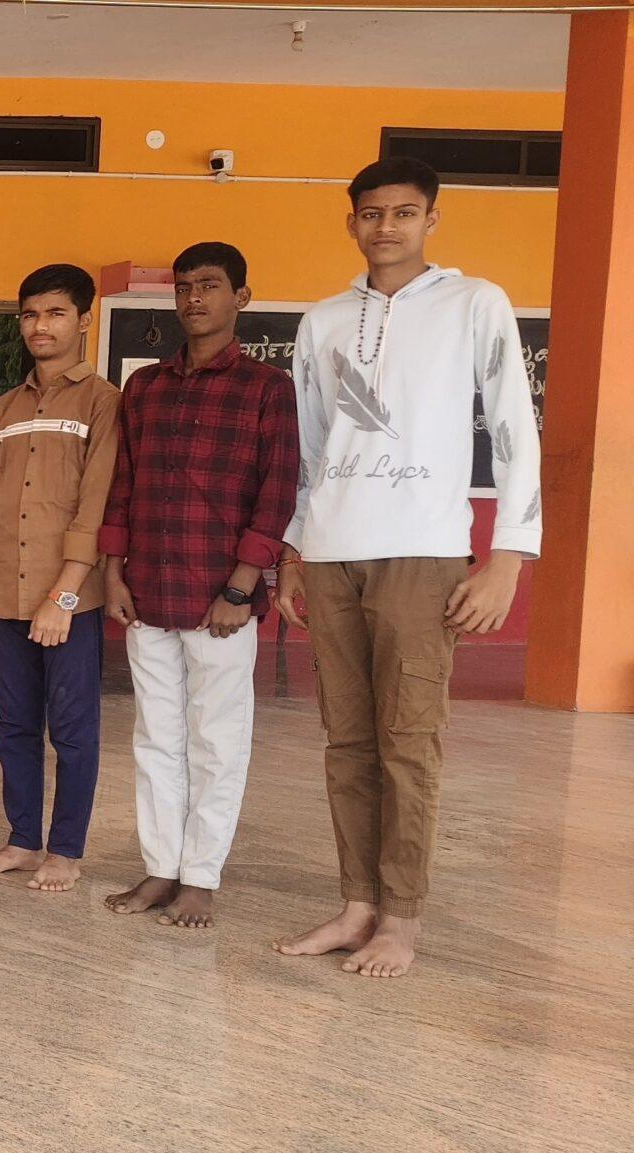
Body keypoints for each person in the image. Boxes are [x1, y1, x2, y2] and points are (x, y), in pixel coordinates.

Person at [273, 158, 540, 979]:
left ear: (431, 220)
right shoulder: (322, 322)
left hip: (424, 553)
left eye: (403, 212)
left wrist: (508, 555)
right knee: (347, 741)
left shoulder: (475, 304)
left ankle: (401, 918)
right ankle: (357, 903)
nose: (385, 226)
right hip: (331, 554)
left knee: (408, 741)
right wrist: (293, 548)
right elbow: (310, 447)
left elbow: (514, 427)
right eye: (371, 213)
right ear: (352, 221)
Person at [98, 242, 299, 930]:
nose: (193, 299)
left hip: (221, 600)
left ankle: (201, 877)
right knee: (155, 737)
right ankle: (161, 866)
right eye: (184, 287)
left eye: (209, 286)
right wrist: (113, 570)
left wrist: (240, 589)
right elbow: (123, 485)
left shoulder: (267, 388)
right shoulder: (145, 388)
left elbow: (277, 492)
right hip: (148, 589)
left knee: (217, 740)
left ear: (241, 297)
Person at [0, 264, 121, 894]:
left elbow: (96, 503)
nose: (40, 326)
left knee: (74, 730)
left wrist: (65, 596)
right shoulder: (6, 408)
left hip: (67, 600)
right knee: (13, 724)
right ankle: (23, 840)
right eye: (30, 314)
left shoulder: (103, 402)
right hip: (6, 591)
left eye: (55, 313)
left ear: (84, 319)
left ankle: (67, 851)